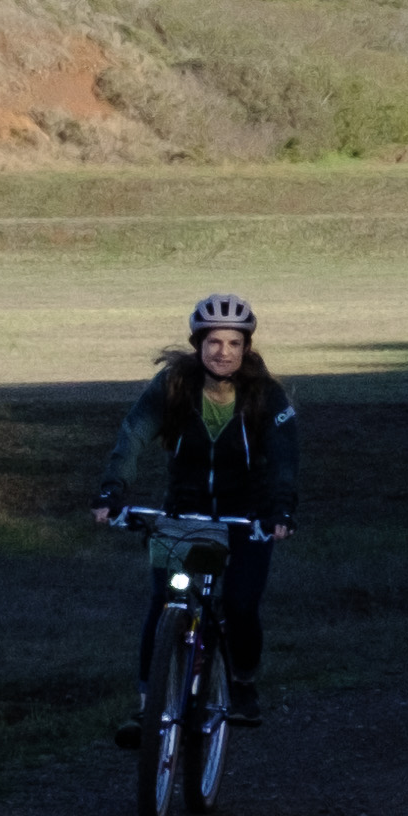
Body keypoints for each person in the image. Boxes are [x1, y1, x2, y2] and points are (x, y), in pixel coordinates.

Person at [106, 291, 296, 716]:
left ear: (247, 348)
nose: (223, 352)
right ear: (198, 345)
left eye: (233, 343)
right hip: (184, 512)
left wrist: (281, 509)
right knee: (164, 603)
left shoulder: (267, 396)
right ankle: (147, 705)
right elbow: (133, 435)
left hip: (247, 517)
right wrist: (112, 490)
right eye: (213, 342)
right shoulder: (173, 386)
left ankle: (242, 681)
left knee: (240, 606)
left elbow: (285, 459)